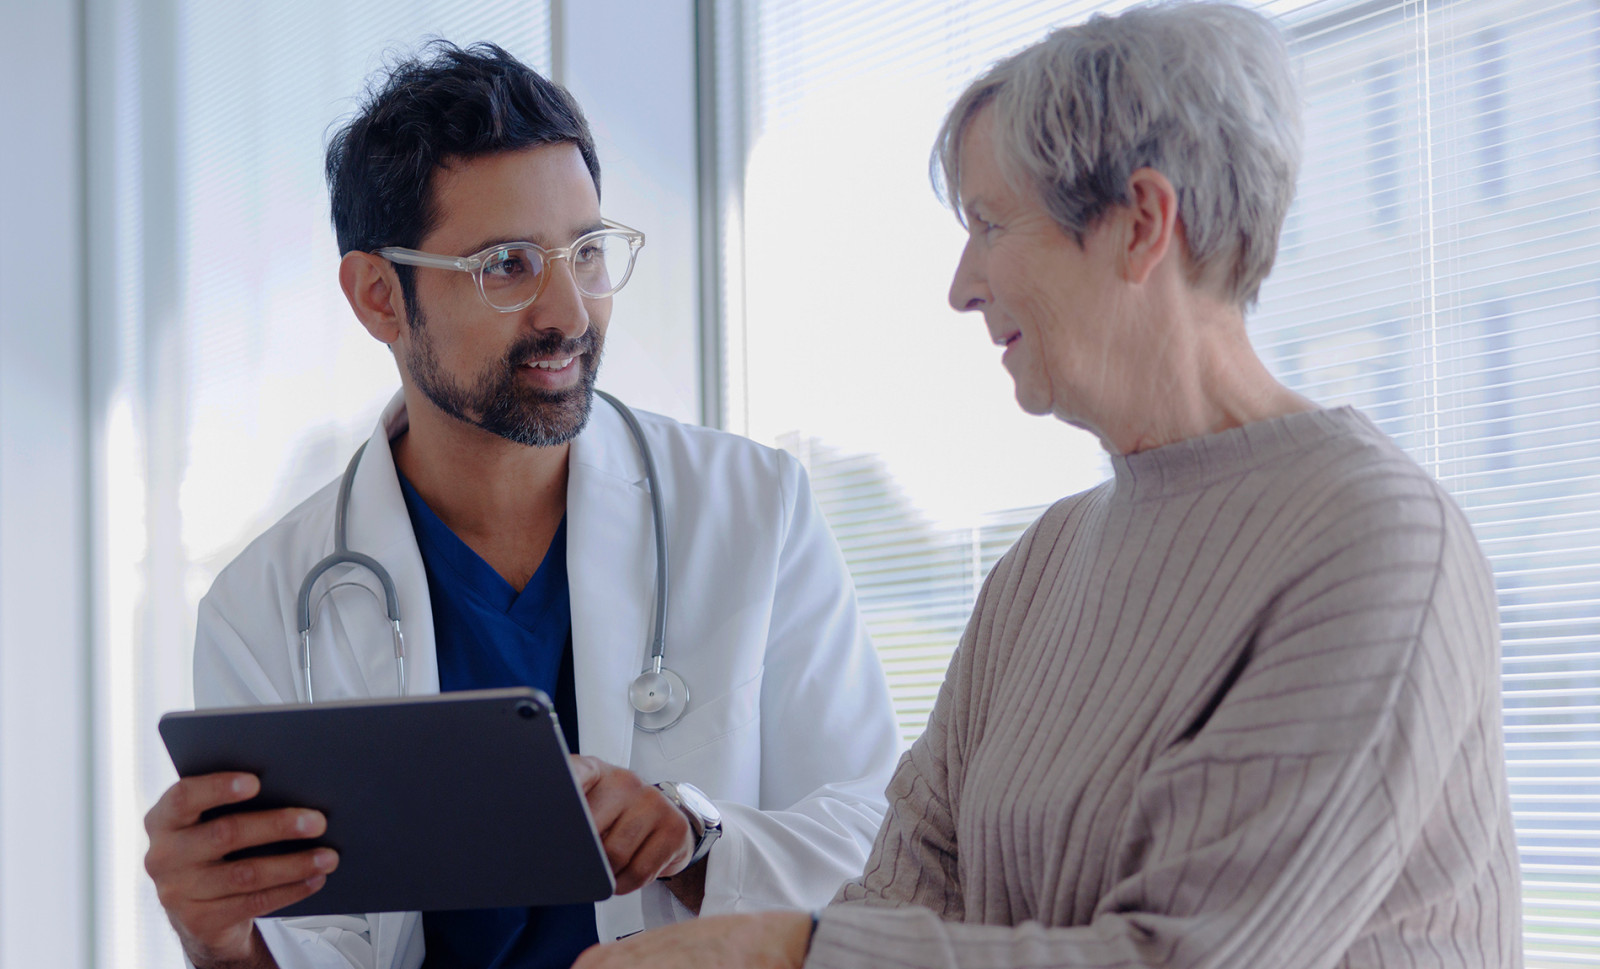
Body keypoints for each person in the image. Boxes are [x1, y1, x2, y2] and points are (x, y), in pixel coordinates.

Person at [572, 4, 1524, 968]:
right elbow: (902, 892)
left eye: (989, 224)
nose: (962, 284)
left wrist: (780, 952)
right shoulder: (1044, 564)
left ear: (1142, 225)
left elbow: (1183, 956)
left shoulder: (1373, 545)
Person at [141, 41, 901, 969]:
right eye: (505, 264)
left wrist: (692, 840)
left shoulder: (755, 511)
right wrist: (221, 943)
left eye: (585, 252)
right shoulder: (260, 608)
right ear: (379, 297)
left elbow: (881, 845)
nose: (569, 311)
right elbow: (308, 947)